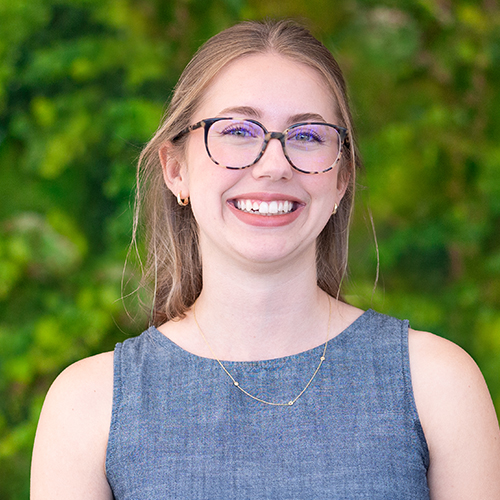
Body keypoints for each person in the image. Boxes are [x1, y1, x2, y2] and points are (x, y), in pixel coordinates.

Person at [30, 19, 500, 499]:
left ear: (341, 180)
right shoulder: (87, 407)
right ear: (175, 170)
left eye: (308, 136)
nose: (274, 165)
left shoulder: (437, 384)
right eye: (237, 130)